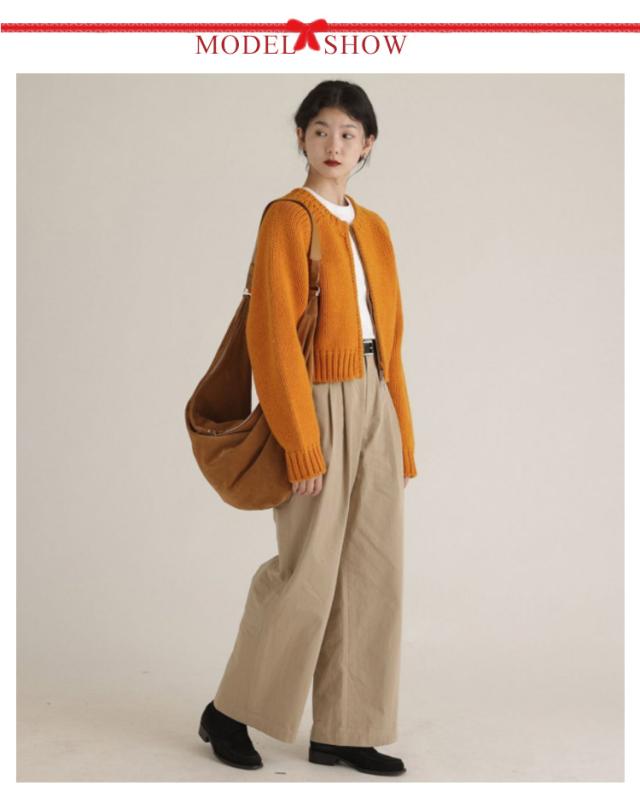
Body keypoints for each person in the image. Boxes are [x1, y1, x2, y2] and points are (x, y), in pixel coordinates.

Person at [197, 80, 417, 776]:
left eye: (348, 134)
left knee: (374, 569)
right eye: (320, 130)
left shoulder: (374, 227)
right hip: (316, 402)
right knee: (306, 570)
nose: (334, 145)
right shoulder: (288, 219)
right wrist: (299, 440)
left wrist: (402, 437)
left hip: (375, 400)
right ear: (301, 137)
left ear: (368, 145)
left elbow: (392, 341)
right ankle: (229, 711)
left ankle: (346, 729)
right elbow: (272, 339)